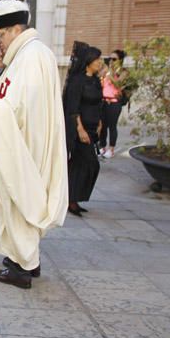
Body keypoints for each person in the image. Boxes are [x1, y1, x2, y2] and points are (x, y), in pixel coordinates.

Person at [0, 0, 67, 289]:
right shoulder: (28, 54)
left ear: (16, 29)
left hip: (24, 148)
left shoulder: (32, 55)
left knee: (19, 199)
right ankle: (23, 259)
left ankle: (22, 269)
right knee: (17, 201)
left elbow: (17, 106)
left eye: (1, 35)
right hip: (22, 142)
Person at [64, 42, 103, 217]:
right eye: (97, 59)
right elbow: (73, 108)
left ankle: (72, 199)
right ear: (89, 61)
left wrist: (100, 123)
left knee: (80, 165)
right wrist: (80, 129)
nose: (100, 62)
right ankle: (70, 199)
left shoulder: (95, 81)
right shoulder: (77, 81)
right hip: (79, 130)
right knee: (89, 164)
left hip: (93, 128)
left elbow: (97, 103)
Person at [99, 49, 128, 159]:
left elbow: (118, 83)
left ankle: (111, 149)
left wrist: (110, 74)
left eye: (114, 59)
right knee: (102, 126)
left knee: (112, 126)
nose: (111, 61)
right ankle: (102, 147)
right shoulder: (106, 70)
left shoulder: (123, 72)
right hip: (103, 101)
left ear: (120, 60)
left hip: (114, 103)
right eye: (110, 58)